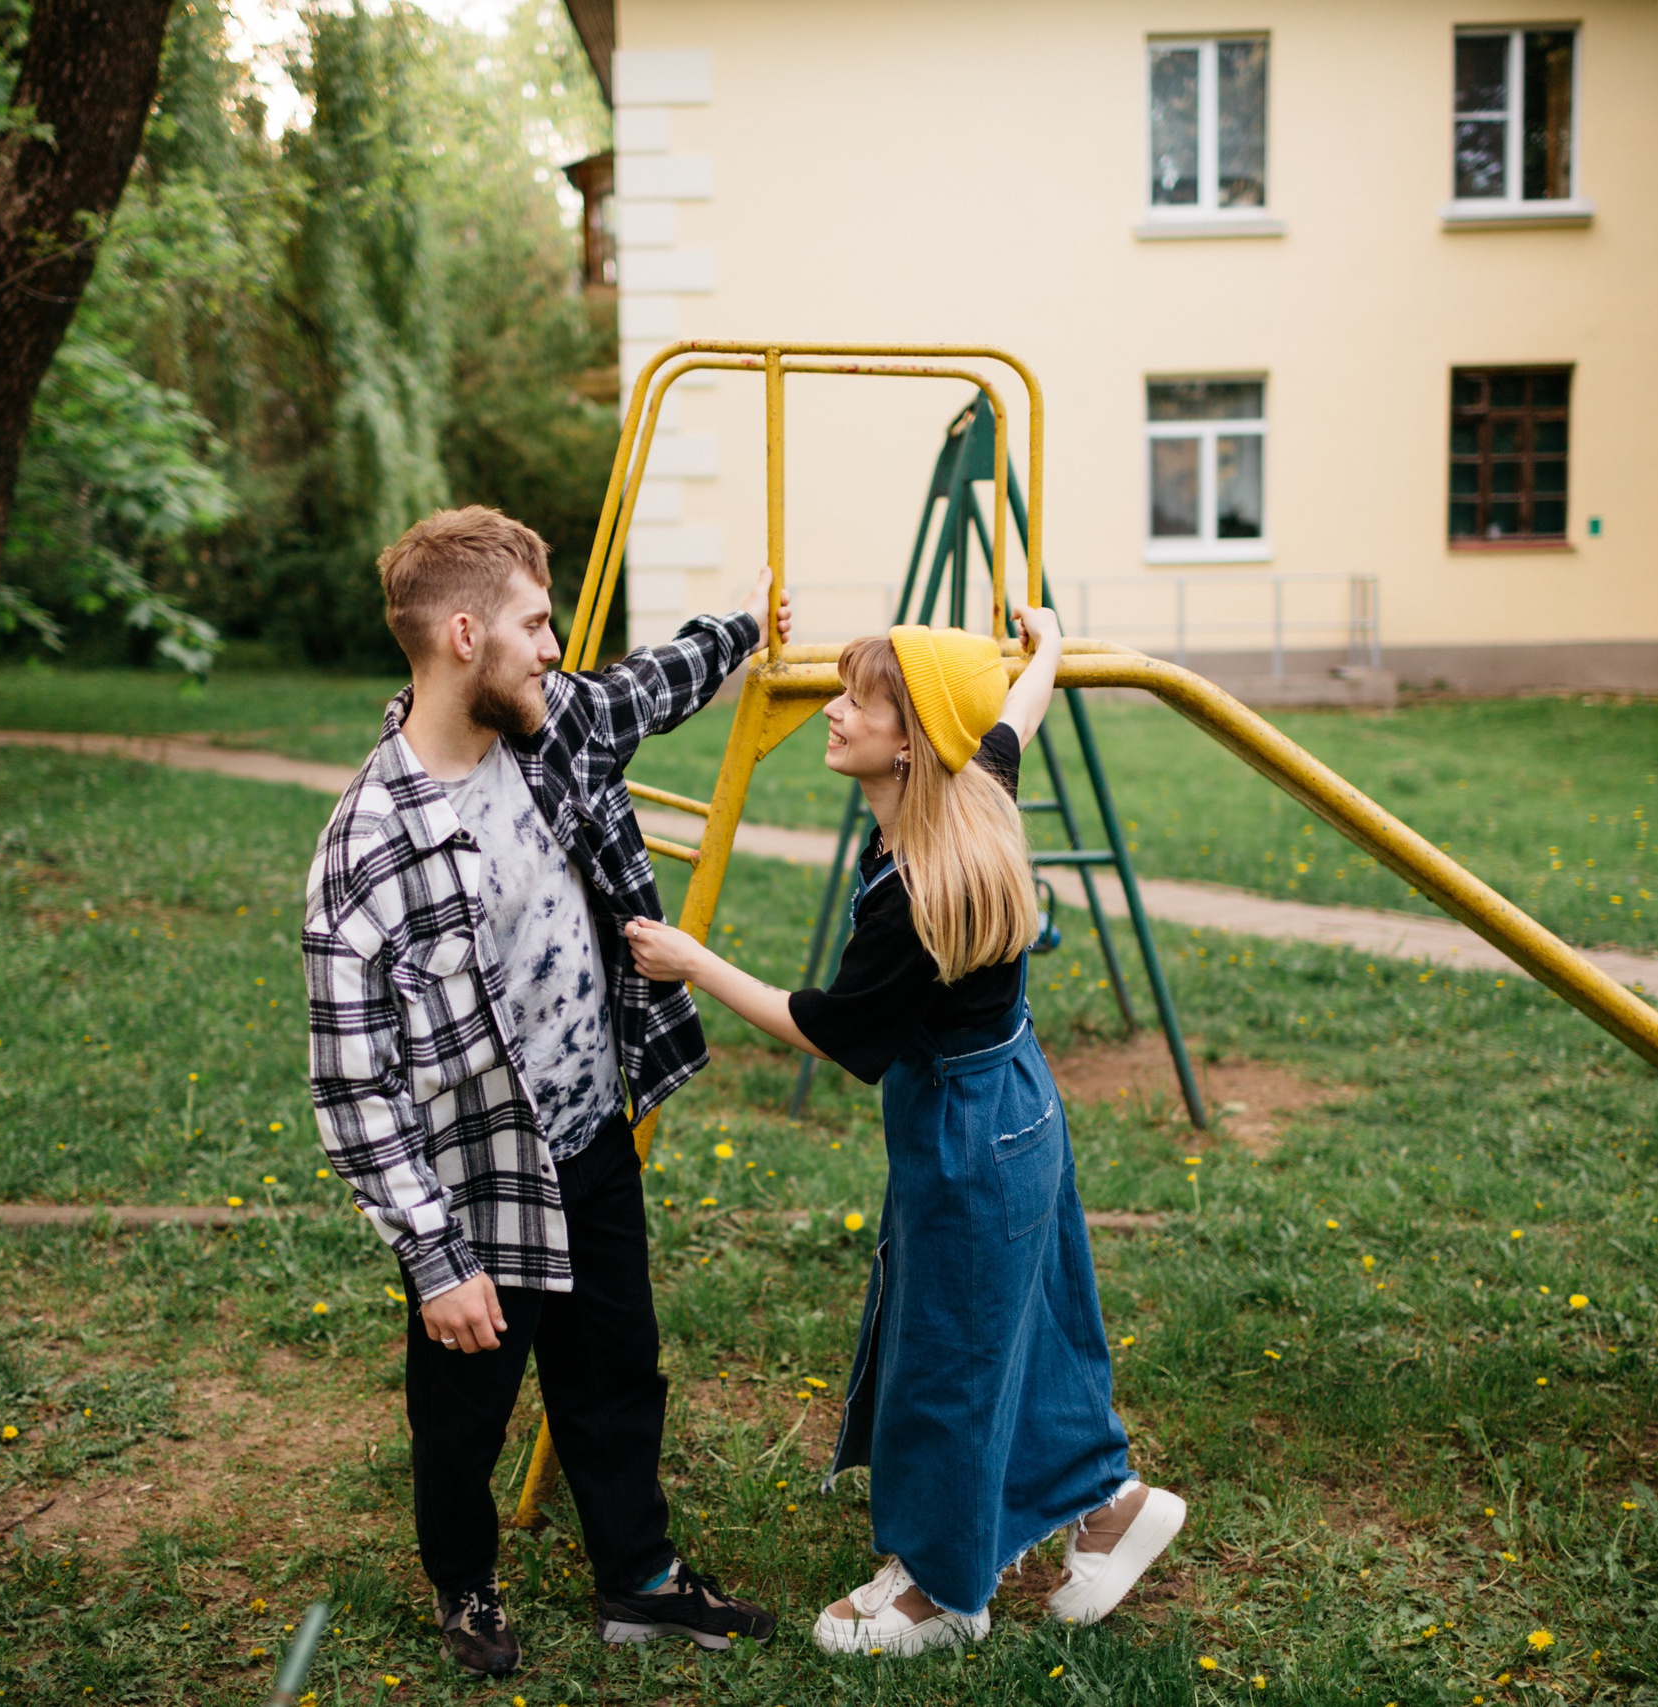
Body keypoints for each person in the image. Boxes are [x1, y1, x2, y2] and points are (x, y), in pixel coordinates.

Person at [621, 606, 1189, 1655]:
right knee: (1031, 1324)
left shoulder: (919, 893)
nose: (831, 711)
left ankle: (939, 1588)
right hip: (1014, 1100)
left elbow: (830, 1032)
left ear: (910, 743)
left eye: (856, 702)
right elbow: (1013, 714)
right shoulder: (976, 791)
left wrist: (694, 962)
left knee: (951, 1354)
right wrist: (1046, 647)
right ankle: (1107, 1508)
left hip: (969, 1133)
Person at [303, 506, 784, 1677]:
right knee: (462, 1411)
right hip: (472, 1184)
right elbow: (354, 1086)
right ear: (464, 635)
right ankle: (464, 1586)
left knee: (617, 1368)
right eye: (533, 624)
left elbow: (648, 685)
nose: (553, 645)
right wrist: (435, 1260)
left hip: (588, 1131)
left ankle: (643, 1581)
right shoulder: (369, 847)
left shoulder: (550, 727)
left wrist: (746, 631)